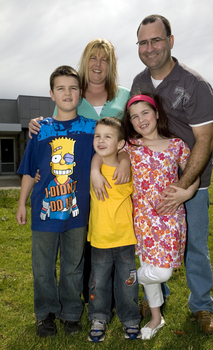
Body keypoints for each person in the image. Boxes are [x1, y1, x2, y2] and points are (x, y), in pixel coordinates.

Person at [130, 14, 213, 335]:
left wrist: (182, 189)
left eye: (156, 40)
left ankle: (202, 306)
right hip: (151, 185)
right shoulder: (139, 83)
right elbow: (131, 129)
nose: (150, 47)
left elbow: (205, 140)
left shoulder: (195, 84)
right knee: (148, 245)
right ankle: (155, 300)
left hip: (192, 181)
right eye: (143, 42)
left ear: (170, 41)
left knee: (194, 245)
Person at [28, 38, 131, 302]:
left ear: (112, 64)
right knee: (83, 247)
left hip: (116, 183)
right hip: (76, 188)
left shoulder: (124, 95)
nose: (98, 64)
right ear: (85, 62)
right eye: (93, 58)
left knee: (118, 242)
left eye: (104, 58)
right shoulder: (73, 94)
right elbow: (52, 136)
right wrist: (35, 127)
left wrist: (126, 160)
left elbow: (130, 139)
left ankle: (125, 298)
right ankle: (89, 298)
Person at [16, 65, 97, 337]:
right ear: (51, 94)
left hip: (77, 213)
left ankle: (71, 314)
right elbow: (30, 170)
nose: (67, 93)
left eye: (73, 88)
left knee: (73, 267)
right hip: (44, 212)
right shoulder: (40, 129)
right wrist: (21, 203)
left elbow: (114, 147)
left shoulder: (91, 129)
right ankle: (46, 314)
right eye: (61, 88)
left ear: (81, 93)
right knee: (42, 269)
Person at [87, 117, 141, 342]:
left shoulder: (128, 168)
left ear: (120, 144)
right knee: (98, 283)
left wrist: (125, 159)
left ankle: (130, 320)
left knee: (128, 283)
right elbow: (97, 156)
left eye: (107, 136)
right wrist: (94, 171)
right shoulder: (93, 171)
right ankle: (98, 317)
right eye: (97, 136)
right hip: (100, 239)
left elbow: (125, 154)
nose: (100, 140)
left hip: (125, 238)